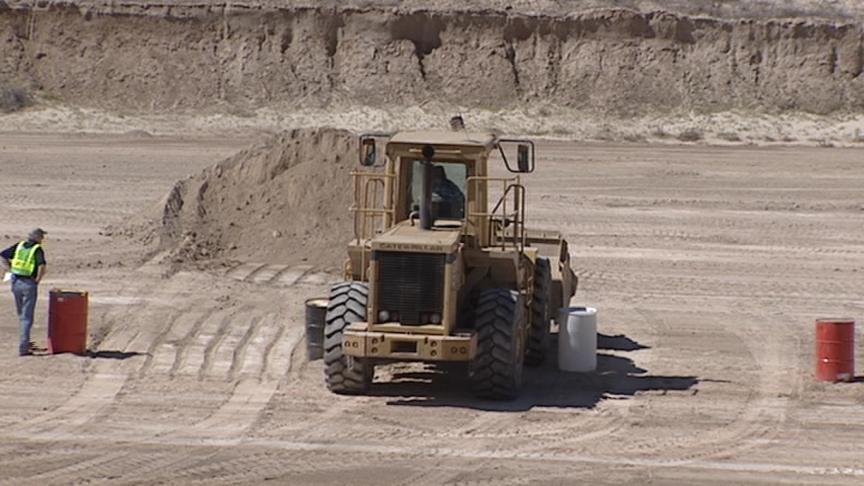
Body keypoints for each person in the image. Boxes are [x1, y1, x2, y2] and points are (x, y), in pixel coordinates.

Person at [1, 228, 47, 356]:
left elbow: (3, 256)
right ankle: (24, 347)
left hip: (16, 283)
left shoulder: (20, 245)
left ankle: (26, 341)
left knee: (22, 315)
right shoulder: (36, 249)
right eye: (41, 236)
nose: (42, 239)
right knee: (26, 317)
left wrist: (10, 270)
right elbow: (42, 266)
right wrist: (37, 280)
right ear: (37, 237)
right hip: (28, 283)